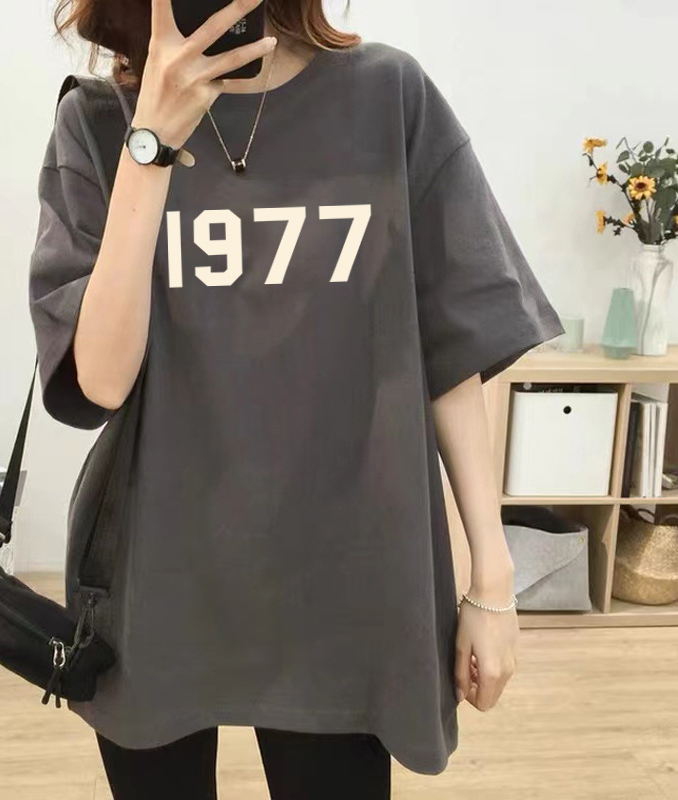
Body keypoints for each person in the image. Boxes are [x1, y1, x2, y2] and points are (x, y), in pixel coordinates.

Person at [28, 0, 565, 796]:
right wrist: (150, 146)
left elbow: (455, 348)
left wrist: (492, 581)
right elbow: (102, 381)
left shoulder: (387, 97)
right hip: (159, 573)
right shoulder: (99, 123)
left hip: (347, 577)